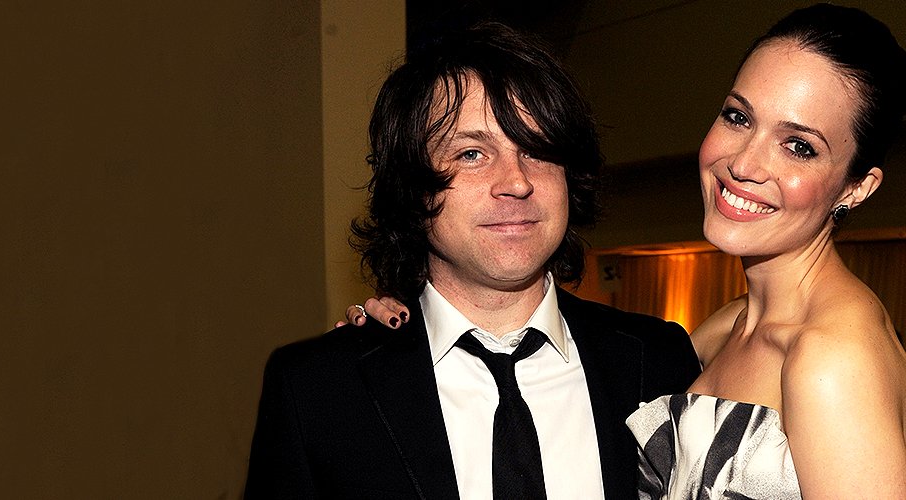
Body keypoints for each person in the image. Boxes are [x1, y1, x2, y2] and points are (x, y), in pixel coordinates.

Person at [347, 4, 906, 498]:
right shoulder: (713, 333)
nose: (744, 164)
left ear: (858, 186)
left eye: (799, 146)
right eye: (738, 117)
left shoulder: (832, 359)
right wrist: (399, 346)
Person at [245, 22, 700, 500]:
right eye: (472, 153)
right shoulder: (319, 389)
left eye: (539, 151)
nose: (517, 181)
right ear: (411, 186)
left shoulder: (657, 359)